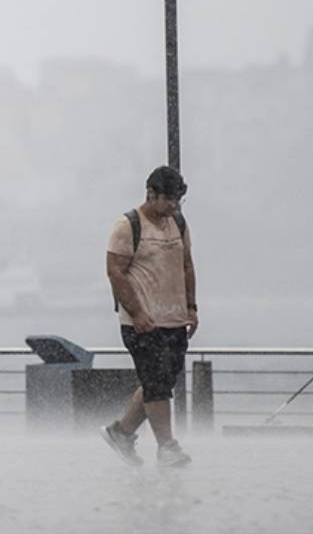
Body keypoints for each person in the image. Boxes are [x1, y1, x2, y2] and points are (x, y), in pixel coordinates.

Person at [101, 165, 197, 468]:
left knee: (161, 381)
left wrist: (191, 307)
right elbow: (115, 272)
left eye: (177, 200)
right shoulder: (128, 225)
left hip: (175, 319)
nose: (173, 206)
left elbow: (186, 265)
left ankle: (121, 433)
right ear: (150, 193)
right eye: (168, 199)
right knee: (156, 382)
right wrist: (138, 312)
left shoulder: (178, 223)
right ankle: (167, 447)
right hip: (141, 322)